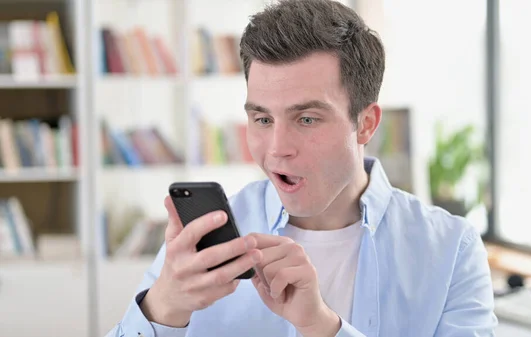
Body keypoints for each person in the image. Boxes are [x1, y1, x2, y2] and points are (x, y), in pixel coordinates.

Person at [106, 0, 498, 336]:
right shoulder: (204, 239)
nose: (277, 149)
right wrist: (162, 307)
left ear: (366, 124)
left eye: (307, 119)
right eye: (262, 120)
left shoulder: (450, 250)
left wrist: (322, 327)